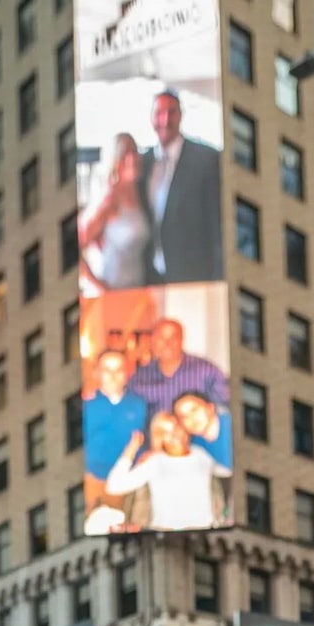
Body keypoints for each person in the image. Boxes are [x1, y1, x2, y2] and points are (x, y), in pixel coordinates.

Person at [139, 90, 223, 285]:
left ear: (181, 116)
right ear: (151, 118)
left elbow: (217, 224)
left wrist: (218, 280)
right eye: (159, 113)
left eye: (172, 112)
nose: (166, 119)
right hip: (150, 282)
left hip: (194, 277)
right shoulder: (143, 164)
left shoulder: (207, 160)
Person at [104, 414, 231, 530]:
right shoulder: (155, 462)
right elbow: (114, 486)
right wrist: (132, 448)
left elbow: (227, 471)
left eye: (176, 427)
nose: (175, 435)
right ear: (160, 438)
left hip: (204, 531)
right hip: (165, 532)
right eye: (166, 432)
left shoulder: (201, 454)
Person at [80, 132, 152, 290]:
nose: (132, 158)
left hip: (137, 292)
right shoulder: (109, 199)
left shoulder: (140, 194)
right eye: (125, 153)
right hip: (111, 295)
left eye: (135, 151)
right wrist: (100, 286)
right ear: (115, 160)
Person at [127, 318, 230, 418]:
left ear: (182, 340)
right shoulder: (140, 377)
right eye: (161, 338)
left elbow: (229, 406)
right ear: (152, 341)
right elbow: (129, 412)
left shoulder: (206, 371)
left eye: (174, 337)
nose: (167, 343)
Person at [83, 348, 150, 481]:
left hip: (130, 477)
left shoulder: (139, 405)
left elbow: (146, 440)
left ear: (127, 373)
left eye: (119, 370)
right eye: (107, 370)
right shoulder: (85, 406)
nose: (113, 375)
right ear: (96, 373)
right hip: (93, 479)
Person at [172, 391, 233, 469]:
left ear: (210, 408)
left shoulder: (230, 425)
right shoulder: (195, 446)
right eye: (184, 417)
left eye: (194, 410)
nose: (191, 419)